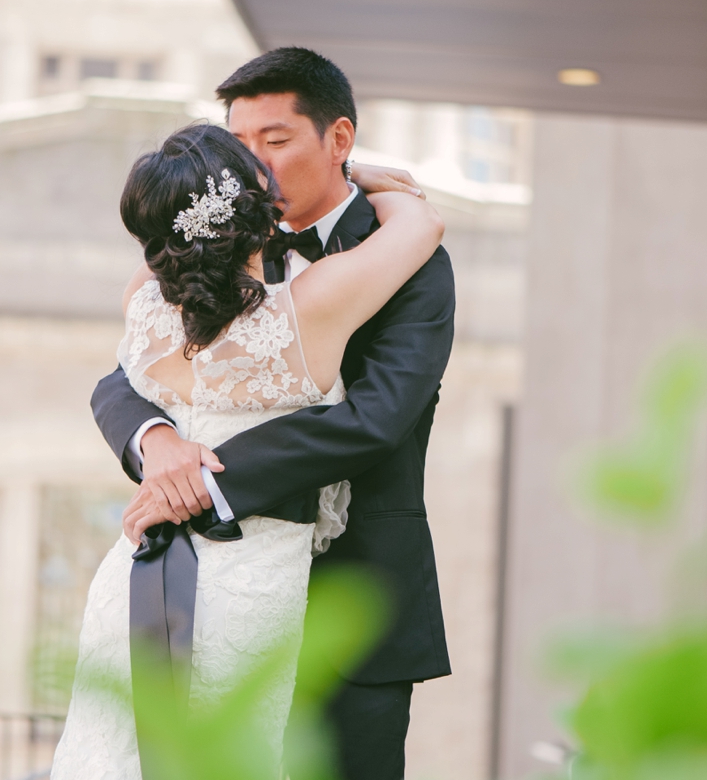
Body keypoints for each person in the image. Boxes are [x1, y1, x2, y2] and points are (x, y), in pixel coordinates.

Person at [91, 47, 456, 780]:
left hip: (354, 603)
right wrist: (156, 441)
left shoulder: (404, 263)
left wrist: (199, 485)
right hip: (193, 586)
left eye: (276, 140)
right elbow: (121, 379)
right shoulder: (202, 255)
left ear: (339, 141)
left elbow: (376, 418)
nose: (254, 164)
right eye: (240, 142)